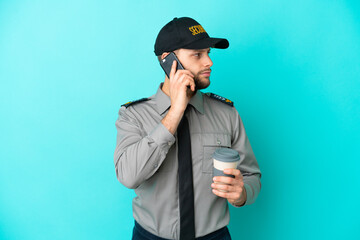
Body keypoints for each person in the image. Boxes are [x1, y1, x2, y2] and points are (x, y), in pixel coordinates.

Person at [114, 17, 261, 240]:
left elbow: (251, 175)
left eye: (208, 53)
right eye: (197, 55)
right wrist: (175, 112)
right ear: (168, 60)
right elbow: (128, 176)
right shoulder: (133, 115)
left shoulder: (226, 114)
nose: (209, 62)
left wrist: (242, 194)